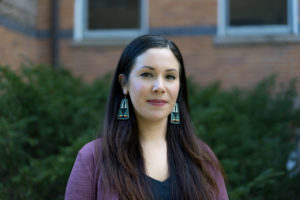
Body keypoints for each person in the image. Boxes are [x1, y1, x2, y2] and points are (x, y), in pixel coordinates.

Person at [65, 35, 228, 200]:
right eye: (147, 74)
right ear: (124, 83)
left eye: (170, 76)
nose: (159, 87)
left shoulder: (202, 159)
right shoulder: (93, 158)